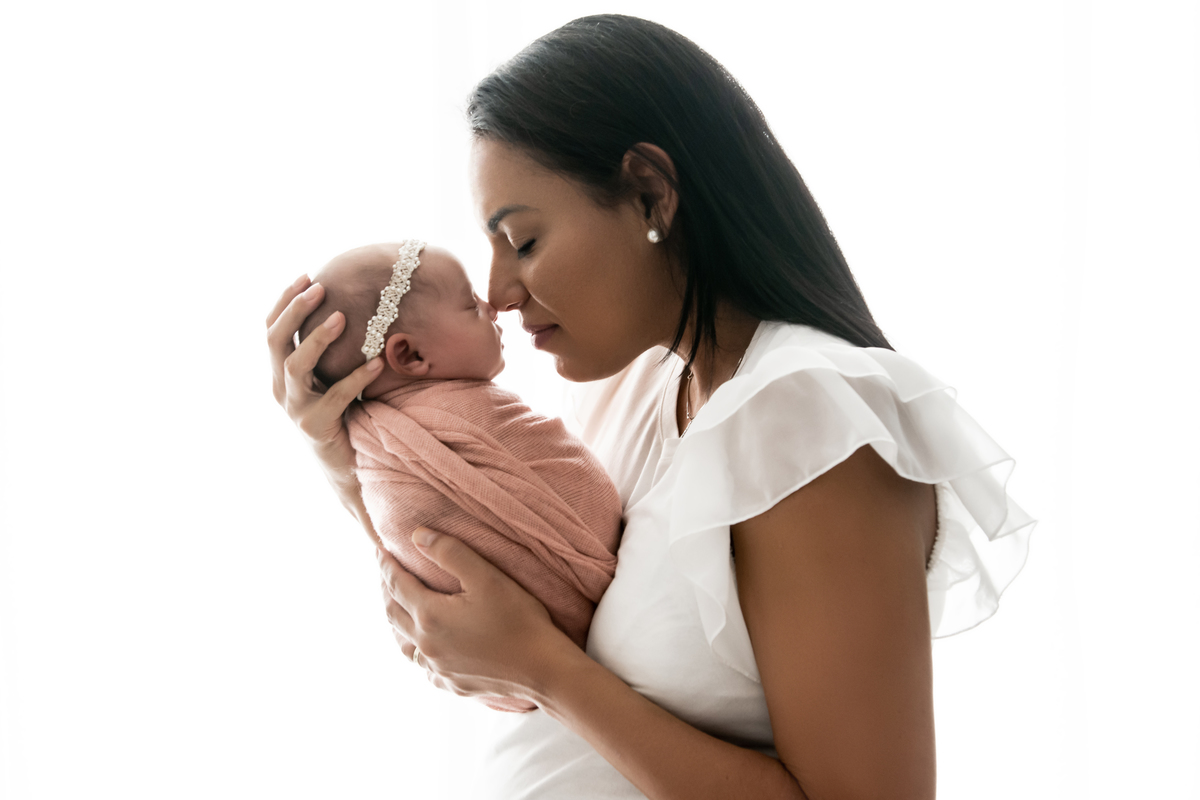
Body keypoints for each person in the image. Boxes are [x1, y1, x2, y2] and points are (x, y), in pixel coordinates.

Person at [266, 14, 1034, 800]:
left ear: (649, 194)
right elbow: (488, 583)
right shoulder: (641, 390)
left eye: (523, 242)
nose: (497, 291)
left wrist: (545, 671)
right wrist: (346, 450)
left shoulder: (805, 414)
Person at [293, 239, 623, 713]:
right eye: (471, 304)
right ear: (408, 356)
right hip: (533, 635)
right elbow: (580, 489)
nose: (492, 307)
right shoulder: (463, 414)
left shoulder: (374, 445)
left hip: (505, 671)